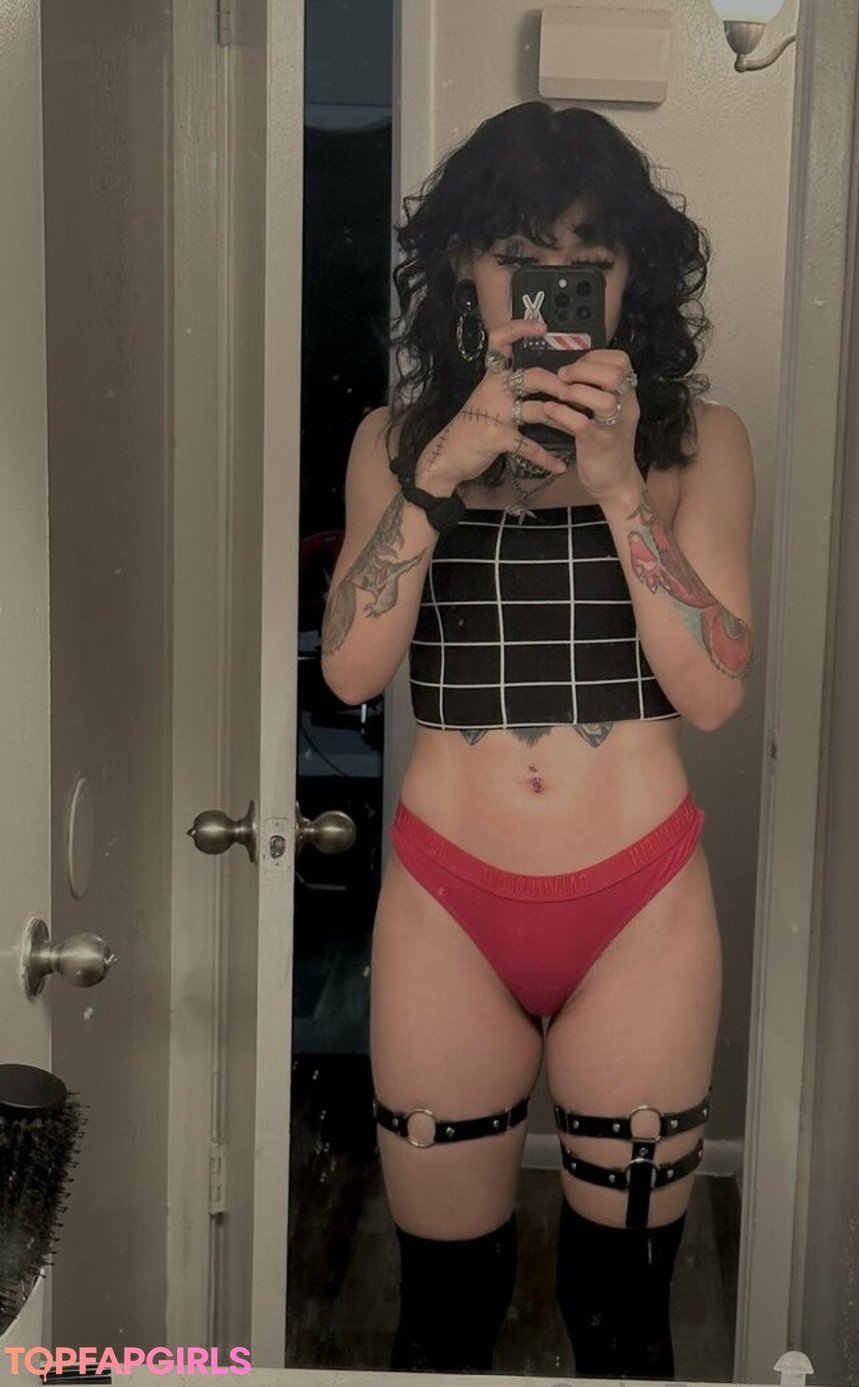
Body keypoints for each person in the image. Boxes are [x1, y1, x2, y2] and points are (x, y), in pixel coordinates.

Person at [320, 100, 754, 1379]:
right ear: (466, 265)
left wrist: (620, 485)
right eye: (520, 257)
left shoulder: (699, 443)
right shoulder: (396, 443)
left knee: (623, 1325)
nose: (551, 289)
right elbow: (350, 665)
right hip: (446, 904)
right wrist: (437, 476)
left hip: (641, 907)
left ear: (630, 276)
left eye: (587, 261)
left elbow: (715, 691)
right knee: (443, 1317)